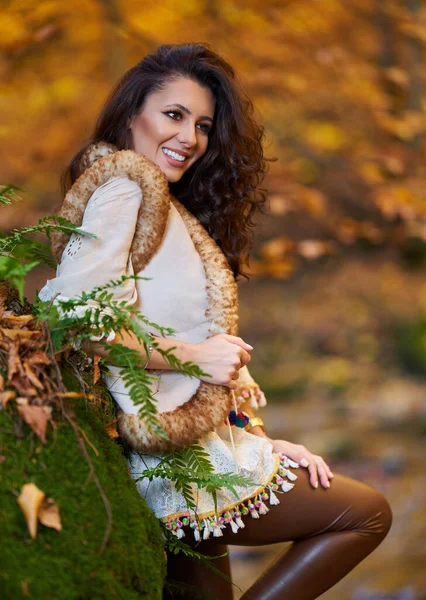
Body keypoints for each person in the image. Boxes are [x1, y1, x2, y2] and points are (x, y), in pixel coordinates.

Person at [39, 43, 392, 599]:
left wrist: (262, 441)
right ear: (133, 113)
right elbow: (81, 321)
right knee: (364, 514)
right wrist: (195, 356)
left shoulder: (159, 201)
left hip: (193, 448)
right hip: (176, 462)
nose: (190, 138)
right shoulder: (123, 186)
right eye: (173, 115)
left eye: (202, 124)